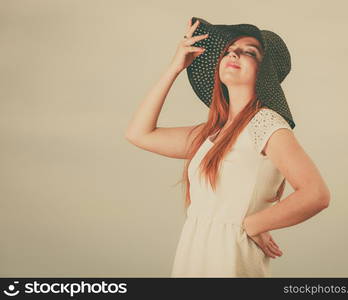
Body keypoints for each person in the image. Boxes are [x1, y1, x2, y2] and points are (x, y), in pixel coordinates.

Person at [124, 17, 331, 278]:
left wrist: (252, 224)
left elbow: (316, 194)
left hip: (229, 257)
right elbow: (138, 133)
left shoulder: (265, 123)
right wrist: (173, 68)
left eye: (249, 53)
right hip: (195, 253)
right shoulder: (211, 132)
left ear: (262, 74)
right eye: (229, 50)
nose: (234, 53)